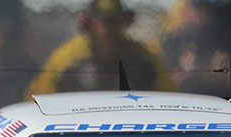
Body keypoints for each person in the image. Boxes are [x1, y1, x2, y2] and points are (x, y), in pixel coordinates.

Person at [26, 0, 175, 96]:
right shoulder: (66, 59)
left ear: (125, 23)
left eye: (115, 22)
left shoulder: (145, 60)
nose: (108, 30)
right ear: (88, 24)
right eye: (103, 22)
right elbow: (34, 101)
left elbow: (172, 99)